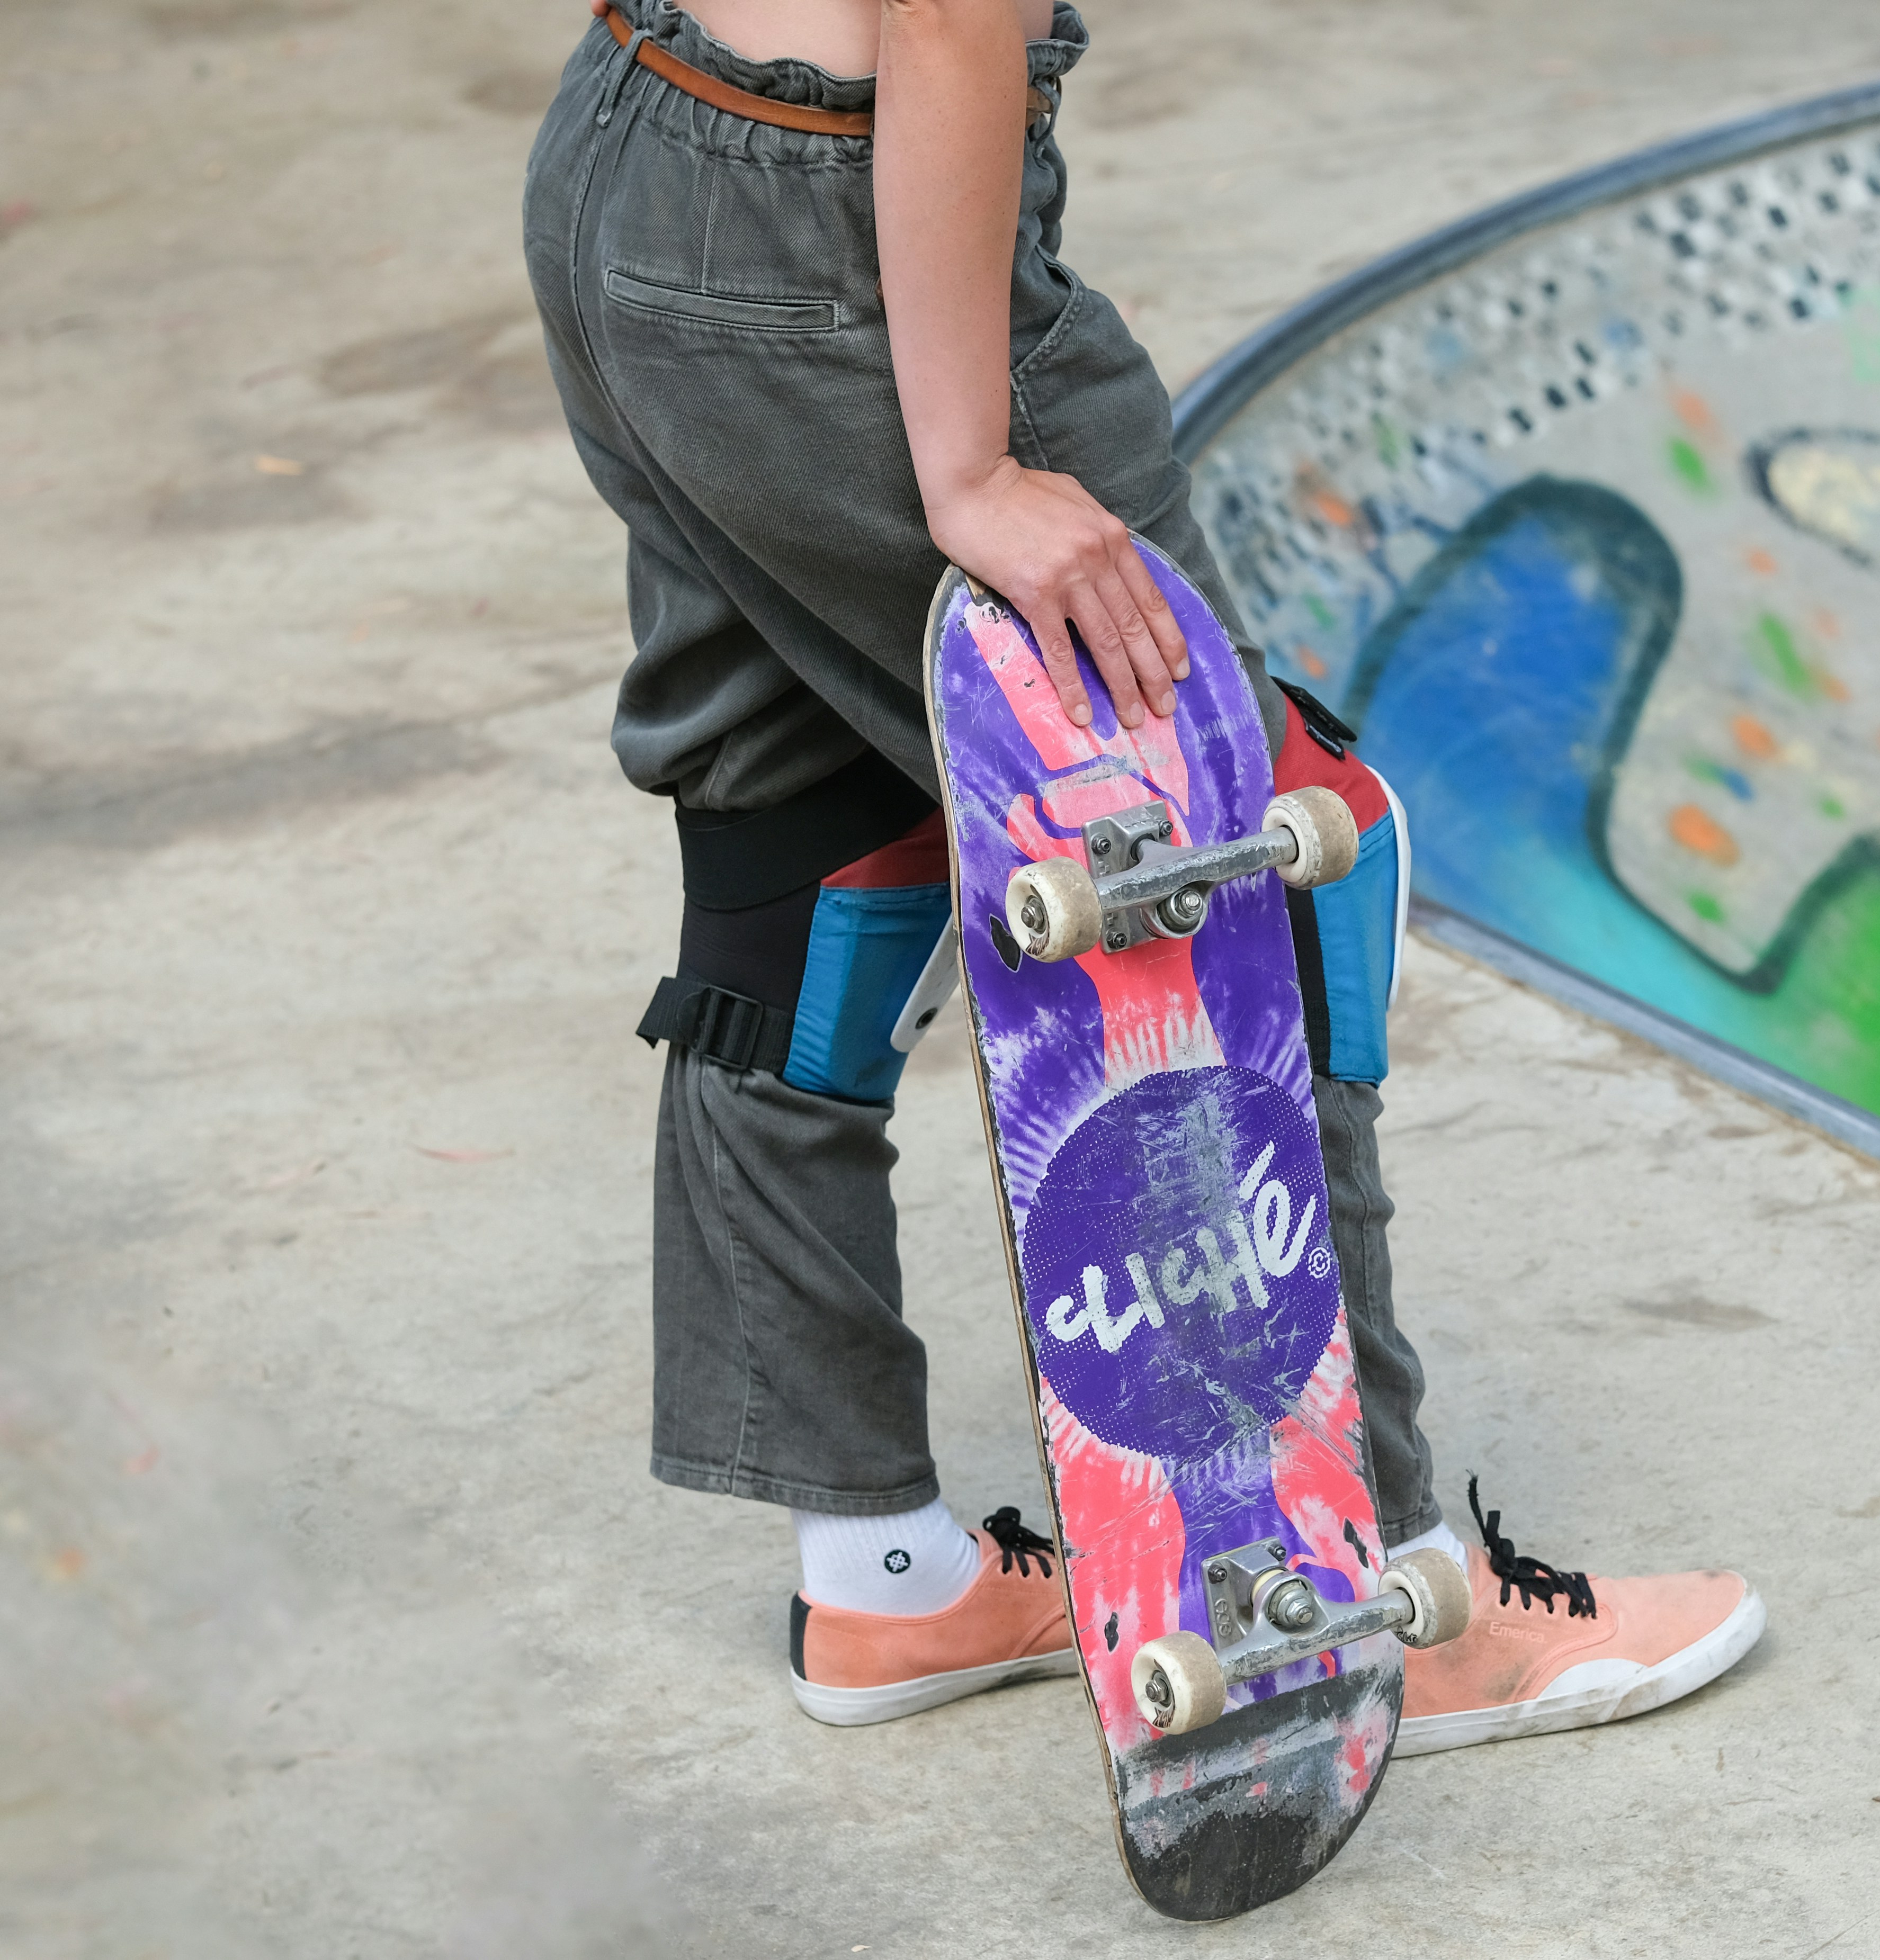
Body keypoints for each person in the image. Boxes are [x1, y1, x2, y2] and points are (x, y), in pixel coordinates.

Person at [521, 0, 1763, 1754]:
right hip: (831, 240)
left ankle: (883, 1577)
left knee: (807, 854)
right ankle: (1372, 1597)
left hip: (644, 163)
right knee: (1260, 847)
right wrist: (968, 465)